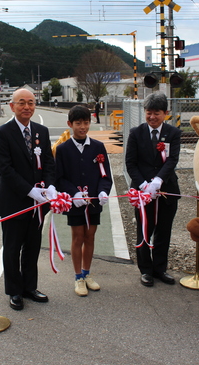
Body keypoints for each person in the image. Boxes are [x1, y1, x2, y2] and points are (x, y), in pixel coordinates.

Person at [0, 88, 57, 311]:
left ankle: (30, 287)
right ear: (12, 106)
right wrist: (30, 191)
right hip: (14, 201)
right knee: (12, 248)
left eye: (30, 102)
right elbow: (5, 169)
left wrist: (50, 186)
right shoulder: (2, 133)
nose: (27, 107)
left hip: (38, 204)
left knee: (32, 246)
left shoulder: (41, 131)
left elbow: (48, 161)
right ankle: (14, 291)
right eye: (21, 103)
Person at [55, 105, 112, 296]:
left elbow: (105, 175)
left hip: (93, 200)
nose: (83, 127)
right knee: (77, 236)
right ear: (70, 124)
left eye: (86, 123)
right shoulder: (63, 149)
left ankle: (87, 273)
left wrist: (103, 191)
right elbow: (59, 178)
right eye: (78, 123)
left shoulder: (98, 147)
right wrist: (73, 194)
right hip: (75, 202)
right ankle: (78, 277)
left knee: (90, 236)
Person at [125, 93, 181, 287]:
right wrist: (143, 185)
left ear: (165, 113)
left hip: (166, 191)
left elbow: (172, 160)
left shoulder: (173, 133)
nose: (152, 117)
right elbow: (131, 163)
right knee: (144, 230)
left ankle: (160, 268)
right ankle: (146, 270)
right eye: (149, 112)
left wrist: (158, 181)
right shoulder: (136, 133)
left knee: (164, 231)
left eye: (156, 113)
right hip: (142, 193)